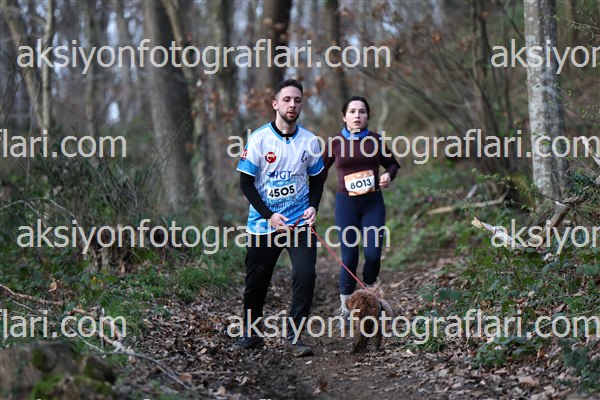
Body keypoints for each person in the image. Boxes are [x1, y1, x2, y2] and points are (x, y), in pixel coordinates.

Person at [235, 79, 326, 357]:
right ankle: (252, 333)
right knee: (257, 281)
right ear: (275, 104)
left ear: (302, 105)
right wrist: (269, 215)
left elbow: (318, 179)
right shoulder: (259, 138)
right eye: (286, 99)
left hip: (299, 223)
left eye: (297, 100)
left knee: (306, 275)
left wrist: (313, 207)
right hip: (264, 224)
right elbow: (246, 183)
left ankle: (294, 337)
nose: (292, 104)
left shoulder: (310, 141)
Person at [322, 95, 400, 322]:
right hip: (346, 205)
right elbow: (318, 172)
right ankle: (346, 309)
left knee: (373, 255)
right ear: (344, 117)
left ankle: (369, 298)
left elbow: (392, 164)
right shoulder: (335, 142)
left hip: (372, 204)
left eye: (362, 111)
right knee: (349, 258)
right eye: (352, 111)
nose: (357, 115)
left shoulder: (375, 140)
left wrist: (388, 175)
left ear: (367, 116)